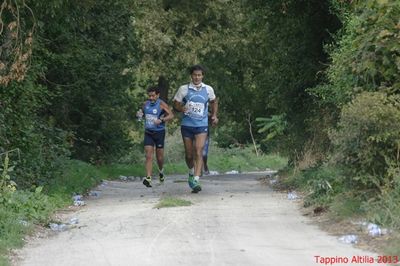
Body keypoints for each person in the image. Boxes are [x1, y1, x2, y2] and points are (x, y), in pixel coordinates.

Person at [173, 65, 218, 193]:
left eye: (199, 75)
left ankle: (196, 179)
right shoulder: (184, 89)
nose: (197, 77)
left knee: (199, 151)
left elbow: (214, 101)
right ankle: (191, 172)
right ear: (191, 76)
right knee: (188, 155)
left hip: (201, 125)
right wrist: (181, 108)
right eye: (194, 75)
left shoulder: (208, 89)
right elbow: (175, 103)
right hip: (187, 125)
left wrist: (214, 115)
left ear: (202, 76)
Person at [140, 86, 174, 187]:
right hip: (148, 132)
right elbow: (142, 114)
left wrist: (162, 120)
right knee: (149, 155)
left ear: (157, 95)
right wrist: (139, 115)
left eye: (153, 96)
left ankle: (161, 172)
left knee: (159, 158)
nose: (151, 98)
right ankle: (148, 178)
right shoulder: (145, 104)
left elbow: (171, 115)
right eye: (149, 96)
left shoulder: (161, 104)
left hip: (159, 132)